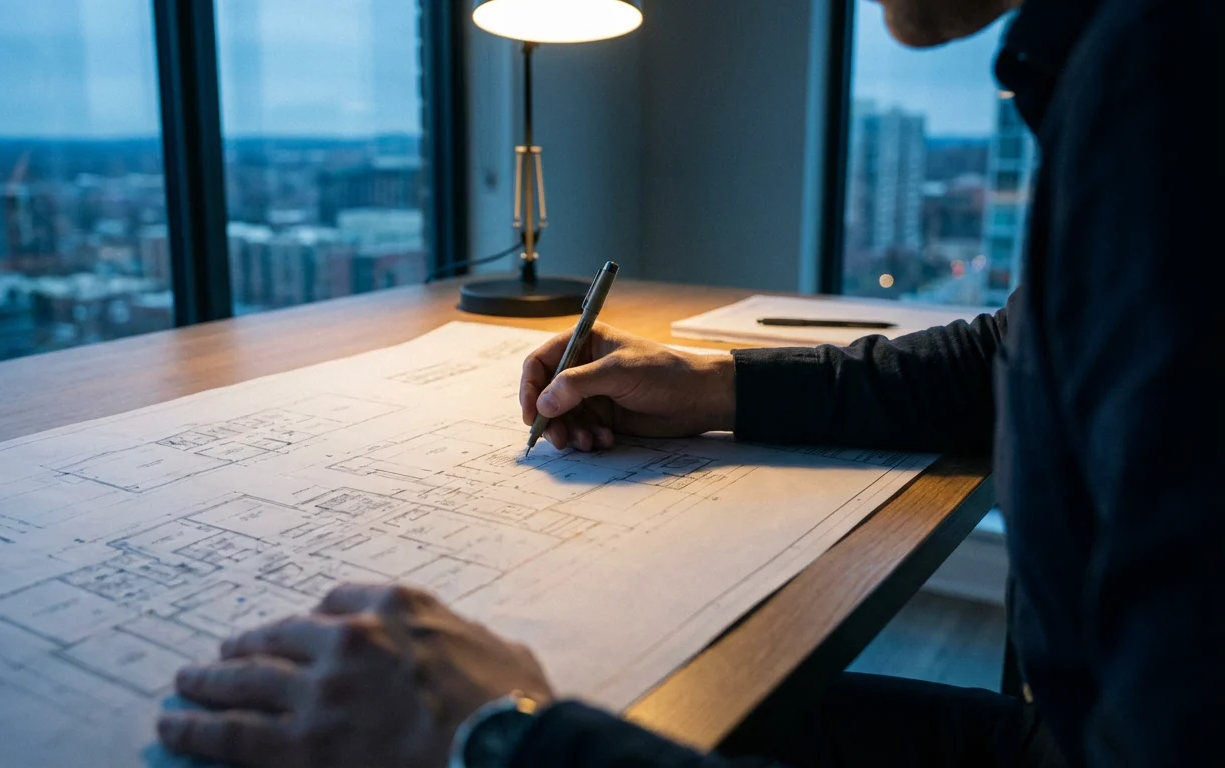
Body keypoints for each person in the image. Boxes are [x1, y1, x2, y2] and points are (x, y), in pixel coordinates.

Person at [154, 0, 1223, 764]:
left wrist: (492, 739)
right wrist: (708, 386)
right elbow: (1009, 355)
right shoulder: (1120, 56)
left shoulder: (1169, 77)